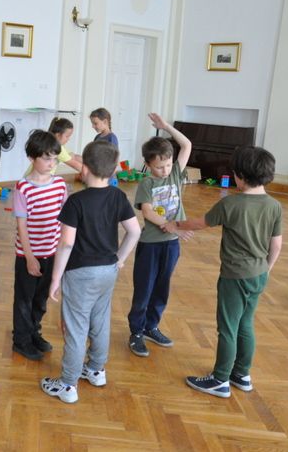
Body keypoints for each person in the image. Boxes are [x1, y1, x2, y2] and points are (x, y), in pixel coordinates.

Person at [165, 146, 282, 398]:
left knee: (228, 327)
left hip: (235, 276)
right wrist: (266, 270)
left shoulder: (230, 203)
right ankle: (242, 374)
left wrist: (176, 224)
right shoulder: (274, 205)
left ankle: (220, 379)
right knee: (246, 323)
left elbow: (200, 223)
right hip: (259, 274)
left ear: (240, 176)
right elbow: (276, 244)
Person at [40, 141, 140, 403]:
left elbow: (66, 244)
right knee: (100, 321)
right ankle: (96, 370)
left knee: (76, 328)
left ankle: (68, 384)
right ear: (113, 169)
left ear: (84, 168)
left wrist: (55, 278)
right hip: (108, 271)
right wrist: (119, 259)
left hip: (81, 274)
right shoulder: (118, 196)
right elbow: (134, 232)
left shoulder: (76, 202)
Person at [127, 113, 193, 357]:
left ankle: (151, 326)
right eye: (159, 166)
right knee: (144, 289)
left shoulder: (175, 173)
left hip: (172, 245)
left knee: (162, 288)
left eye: (167, 164)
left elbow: (187, 145)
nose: (165, 170)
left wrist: (166, 127)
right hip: (151, 245)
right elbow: (147, 211)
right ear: (148, 164)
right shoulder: (147, 183)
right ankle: (136, 331)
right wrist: (169, 225)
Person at [11, 130, 69, 360]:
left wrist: (63, 250)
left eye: (54, 158)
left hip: (51, 253)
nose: (51, 163)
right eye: (46, 158)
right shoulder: (23, 188)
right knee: (24, 300)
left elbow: (65, 219)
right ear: (31, 158)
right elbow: (21, 225)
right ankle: (21, 340)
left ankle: (33, 331)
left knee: (41, 299)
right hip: (28, 255)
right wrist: (29, 257)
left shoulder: (60, 184)